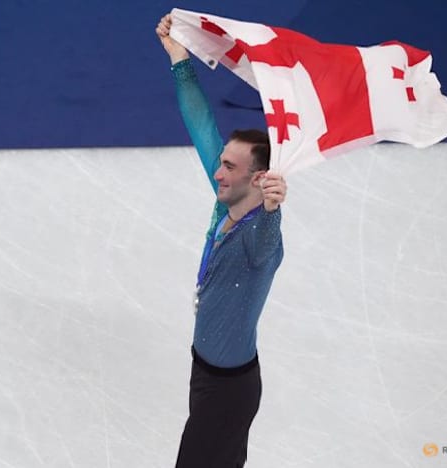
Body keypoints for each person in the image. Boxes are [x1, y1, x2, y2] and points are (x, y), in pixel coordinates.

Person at [156, 13, 288, 468]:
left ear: (259, 178)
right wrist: (179, 58)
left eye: (230, 167)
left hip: (229, 390)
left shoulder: (259, 239)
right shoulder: (225, 205)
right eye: (222, 163)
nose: (218, 172)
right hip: (206, 371)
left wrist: (274, 208)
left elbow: (270, 244)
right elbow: (200, 123)